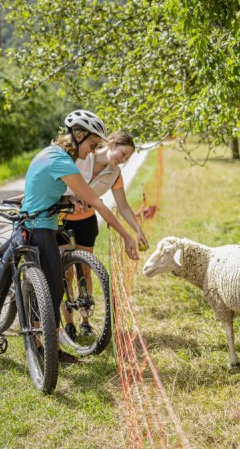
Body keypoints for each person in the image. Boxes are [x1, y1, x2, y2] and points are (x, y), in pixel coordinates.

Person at [20, 110, 138, 363]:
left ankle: (45, 343)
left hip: (43, 222)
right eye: (93, 145)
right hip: (39, 225)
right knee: (53, 285)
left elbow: (50, 191)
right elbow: (97, 202)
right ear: (79, 135)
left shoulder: (55, 154)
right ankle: (43, 348)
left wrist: (68, 199)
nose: (93, 150)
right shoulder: (64, 160)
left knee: (53, 284)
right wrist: (127, 236)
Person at [58, 131, 149, 339]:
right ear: (112, 143)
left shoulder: (115, 174)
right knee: (66, 273)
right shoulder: (82, 157)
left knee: (85, 270)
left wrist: (137, 230)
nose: (123, 160)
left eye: (127, 158)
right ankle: (68, 322)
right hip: (61, 220)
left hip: (86, 221)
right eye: (123, 153)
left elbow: (123, 206)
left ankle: (85, 321)